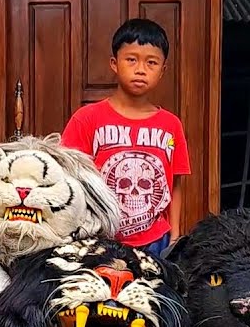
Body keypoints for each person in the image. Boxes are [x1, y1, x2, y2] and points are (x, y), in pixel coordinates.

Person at [60, 18, 190, 257]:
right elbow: (68, 177)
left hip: (156, 240)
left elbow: (176, 182)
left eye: (151, 62)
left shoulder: (171, 126)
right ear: (114, 63)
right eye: (131, 60)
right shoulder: (87, 119)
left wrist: (175, 234)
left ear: (163, 71)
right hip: (99, 237)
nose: (141, 69)